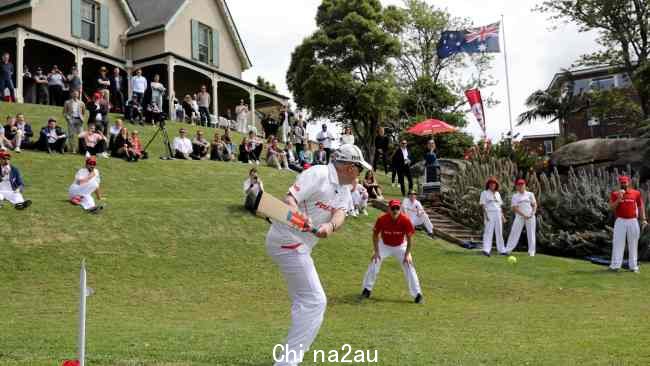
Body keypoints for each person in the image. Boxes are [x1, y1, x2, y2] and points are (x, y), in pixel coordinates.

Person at [266, 144, 368, 366]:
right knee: (315, 301)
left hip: (299, 244)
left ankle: (286, 358)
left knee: (305, 303)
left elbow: (341, 212)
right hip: (287, 239)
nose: (360, 174)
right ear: (350, 167)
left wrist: (330, 226)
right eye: (359, 169)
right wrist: (299, 214)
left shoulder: (343, 188)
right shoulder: (318, 174)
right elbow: (289, 198)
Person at [361, 199, 424, 304]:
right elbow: (375, 235)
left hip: (400, 246)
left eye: (397, 208)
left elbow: (409, 239)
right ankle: (366, 290)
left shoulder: (406, 220)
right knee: (375, 262)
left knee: (409, 265)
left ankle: (417, 294)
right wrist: (376, 252)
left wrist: (407, 254)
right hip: (384, 245)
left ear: (400, 209)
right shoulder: (381, 219)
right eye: (393, 208)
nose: (395, 210)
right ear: (388, 209)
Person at [608, 176, 647, 273]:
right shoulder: (615, 194)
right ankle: (615, 266)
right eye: (622, 183)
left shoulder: (636, 193)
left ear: (628, 183)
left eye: (625, 182)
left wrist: (644, 219)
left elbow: (640, 206)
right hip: (620, 221)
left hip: (633, 221)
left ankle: (633, 267)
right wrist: (619, 199)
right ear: (619, 183)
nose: (623, 184)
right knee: (618, 243)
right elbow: (611, 208)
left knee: (633, 244)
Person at [505, 179, 537, 256]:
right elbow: (514, 208)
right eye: (519, 185)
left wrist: (533, 213)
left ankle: (531, 252)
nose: (521, 186)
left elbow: (534, 204)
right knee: (514, 232)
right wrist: (523, 215)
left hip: (530, 216)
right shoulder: (515, 196)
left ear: (525, 185)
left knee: (531, 233)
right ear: (517, 186)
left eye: (522, 184)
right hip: (519, 217)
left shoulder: (530, 194)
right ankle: (508, 250)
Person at [480, 177, 506, 256]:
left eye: (494, 184)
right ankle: (486, 250)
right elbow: (483, 205)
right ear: (488, 185)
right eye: (491, 183)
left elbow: (499, 206)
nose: (492, 185)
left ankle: (502, 250)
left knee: (499, 232)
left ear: (496, 185)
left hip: (498, 214)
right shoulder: (484, 193)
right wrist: (486, 215)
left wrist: (502, 216)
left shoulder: (498, 194)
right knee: (488, 232)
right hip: (489, 213)